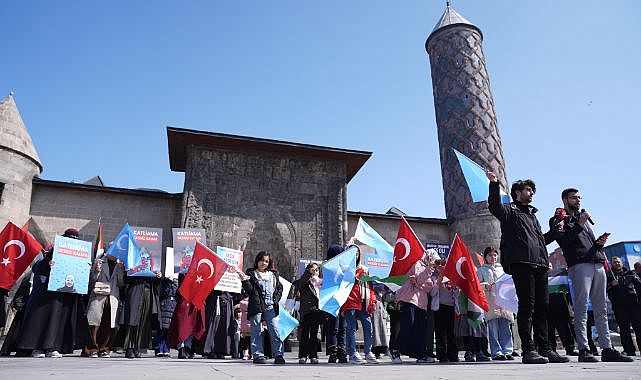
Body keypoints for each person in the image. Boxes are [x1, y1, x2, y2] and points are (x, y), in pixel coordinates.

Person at [486, 172, 568, 364]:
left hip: (539, 264)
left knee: (543, 307)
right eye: (527, 190)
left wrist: (555, 233)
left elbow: (540, 241)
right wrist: (494, 184)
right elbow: (494, 206)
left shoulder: (532, 215)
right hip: (521, 264)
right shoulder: (509, 210)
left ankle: (546, 349)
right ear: (517, 192)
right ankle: (529, 350)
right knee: (527, 306)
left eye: (532, 191)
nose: (531, 193)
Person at [550, 188, 632, 363]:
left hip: (597, 262)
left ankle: (607, 348)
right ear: (565, 200)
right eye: (573, 197)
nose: (578, 200)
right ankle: (584, 349)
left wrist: (598, 244)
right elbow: (564, 240)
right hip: (579, 265)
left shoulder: (583, 220)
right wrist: (579, 223)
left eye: (579, 197)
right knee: (581, 308)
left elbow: (586, 241)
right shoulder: (559, 219)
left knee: (601, 308)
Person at [16, 228, 88, 358]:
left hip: (64, 295)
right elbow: (38, 269)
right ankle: (37, 348)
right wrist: (48, 264)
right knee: (42, 320)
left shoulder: (78, 254)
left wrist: (85, 268)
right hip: (46, 294)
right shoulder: (51, 255)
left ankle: (53, 347)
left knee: (58, 322)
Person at [236, 251, 285, 364]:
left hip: (270, 305)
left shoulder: (273, 274)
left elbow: (279, 288)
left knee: (274, 330)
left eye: (266, 261)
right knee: (256, 330)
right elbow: (250, 291)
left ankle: (278, 354)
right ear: (257, 261)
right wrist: (244, 279)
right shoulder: (252, 274)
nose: (264, 263)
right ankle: (258, 355)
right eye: (262, 260)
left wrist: (275, 300)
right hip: (257, 304)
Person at [395, 249, 436, 363]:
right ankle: (395, 350)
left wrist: (418, 284)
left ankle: (420, 354)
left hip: (422, 303)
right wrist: (420, 281)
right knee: (408, 325)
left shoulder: (431, 270)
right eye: (433, 259)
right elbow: (418, 278)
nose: (434, 262)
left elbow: (430, 287)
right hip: (411, 299)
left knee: (420, 329)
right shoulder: (418, 264)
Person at [341, 244, 378, 364]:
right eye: (352, 252)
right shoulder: (343, 268)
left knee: (368, 326)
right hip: (350, 300)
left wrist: (372, 299)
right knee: (351, 327)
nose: (355, 255)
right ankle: (352, 353)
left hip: (363, 300)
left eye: (357, 253)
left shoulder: (364, 269)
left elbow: (369, 286)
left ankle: (368, 352)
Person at [476, 247, 514, 360]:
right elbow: (477, 286)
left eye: (495, 255)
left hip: (504, 302)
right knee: (493, 328)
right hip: (491, 302)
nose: (493, 257)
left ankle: (507, 351)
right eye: (490, 255)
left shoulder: (502, 269)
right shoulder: (481, 270)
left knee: (505, 327)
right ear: (486, 257)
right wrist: (485, 285)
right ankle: (496, 352)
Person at [84, 253, 125, 358]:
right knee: (94, 324)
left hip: (112, 297)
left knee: (109, 325)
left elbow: (121, 284)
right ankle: (92, 349)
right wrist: (97, 271)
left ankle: (104, 349)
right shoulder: (100, 261)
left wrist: (121, 270)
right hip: (98, 296)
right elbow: (91, 281)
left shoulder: (119, 264)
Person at [607, 256, 641, 357]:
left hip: (634, 305)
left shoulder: (631, 273)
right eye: (614, 262)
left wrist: (635, 278)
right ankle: (628, 350)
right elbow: (604, 289)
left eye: (618, 262)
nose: (616, 263)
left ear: (622, 263)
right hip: (619, 307)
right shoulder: (610, 276)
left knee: (639, 327)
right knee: (624, 329)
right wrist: (611, 284)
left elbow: (639, 284)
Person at [291, 262, 323, 364]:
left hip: (317, 310)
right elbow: (299, 284)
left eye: (317, 269)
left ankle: (313, 355)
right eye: (312, 269)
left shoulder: (320, 282)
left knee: (314, 334)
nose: (315, 271)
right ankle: (303, 355)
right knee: (304, 333)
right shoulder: (305, 280)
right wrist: (308, 274)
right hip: (306, 310)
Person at [323, 244, 348, 364]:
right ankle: (334, 351)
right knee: (335, 327)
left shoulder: (343, 268)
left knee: (341, 327)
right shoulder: (328, 267)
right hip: (333, 301)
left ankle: (340, 350)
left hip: (339, 301)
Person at [434, 259, 458, 363]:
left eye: (443, 265)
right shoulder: (434, 277)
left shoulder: (451, 277)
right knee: (440, 332)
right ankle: (442, 355)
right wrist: (440, 277)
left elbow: (456, 293)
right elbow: (433, 291)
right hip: (439, 307)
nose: (441, 267)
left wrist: (455, 287)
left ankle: (453, 355)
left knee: (451, 332)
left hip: (451, 307)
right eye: (438, 266)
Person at [153, 274, 178, 357]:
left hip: (173, 305)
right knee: (161, 328)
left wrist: (173, 282)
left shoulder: (176, 280)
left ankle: (166, 348)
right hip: (164, 304)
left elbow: (176, 292)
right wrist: (168, 282)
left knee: (169, 329)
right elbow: (163, 292)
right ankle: (158, 348)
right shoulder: (164, 280)